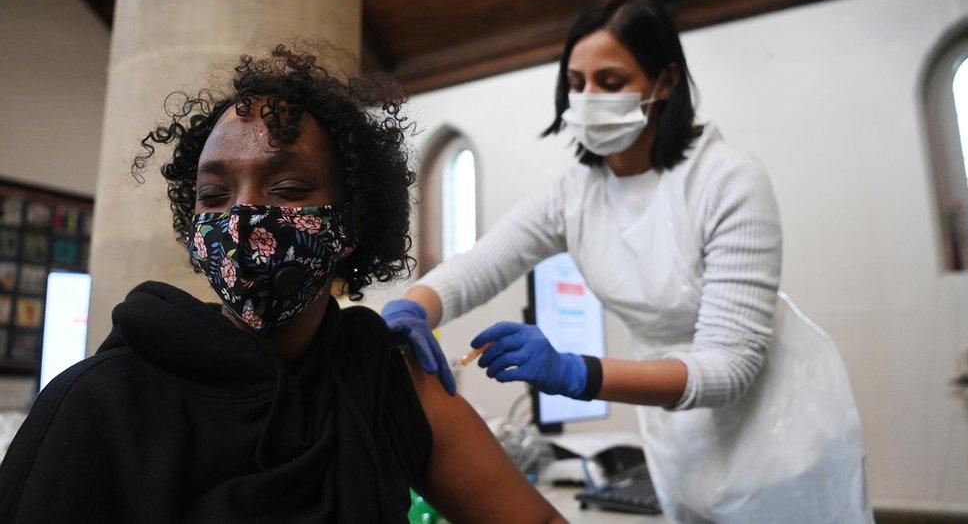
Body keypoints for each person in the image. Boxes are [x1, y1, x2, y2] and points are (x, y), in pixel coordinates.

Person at [0, 45, 564, 523]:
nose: (244, 216)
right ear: (193, 229)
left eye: (288, 190)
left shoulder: (382, 384)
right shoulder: (99, 404)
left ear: (350, 224)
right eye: (216, 197)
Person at [383, 0, 871, 523]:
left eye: (611, 82)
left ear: (666, 82)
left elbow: (730, 367)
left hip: (780, 438)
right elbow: (480, 265)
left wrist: (576, 372)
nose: (588, 97)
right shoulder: (575, 195)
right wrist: (412, 309)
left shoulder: (728, 180)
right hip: (680, 439)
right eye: (576, 83)